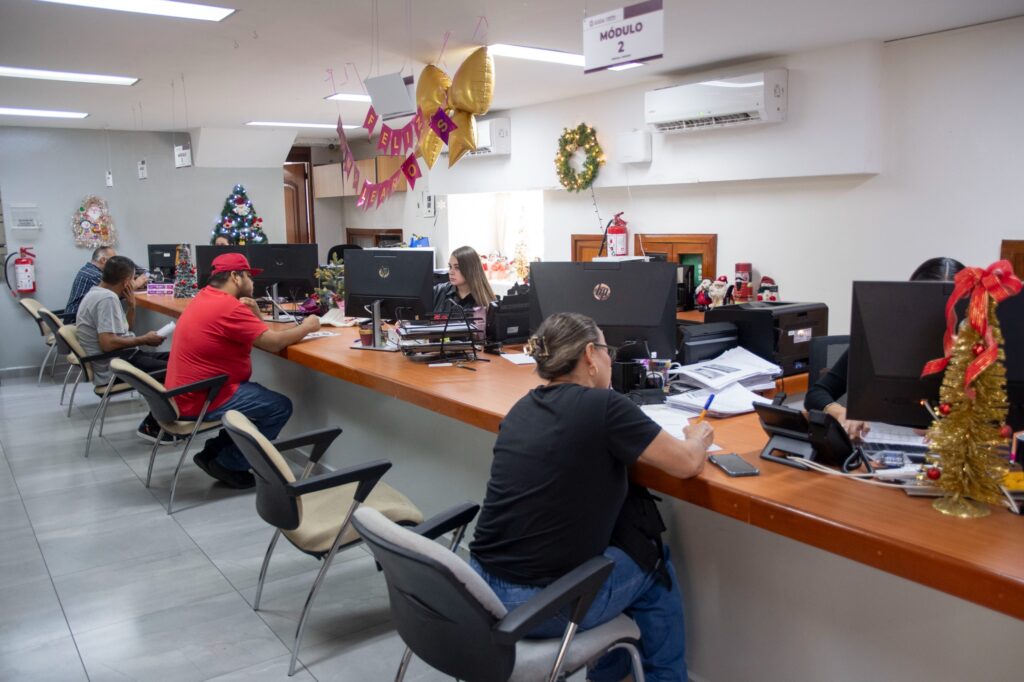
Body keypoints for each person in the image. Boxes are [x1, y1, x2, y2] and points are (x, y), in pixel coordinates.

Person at [469, 312, 714, 682]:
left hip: (481, 591)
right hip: (538, 606)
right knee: (650, 558)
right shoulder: (606, 408)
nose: (610, 360)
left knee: (621, 544)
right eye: (606, 350)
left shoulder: (522, 407)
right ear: (589, 355)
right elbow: (685, 464)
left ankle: (612, 673)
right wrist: (698, 438)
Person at [165, 252, 320, 489]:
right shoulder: (228, 307)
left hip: (186, 393)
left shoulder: (206, 297)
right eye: (249, 276)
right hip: (204, 397)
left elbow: (262, 335)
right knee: (279, 407)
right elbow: (273, 343)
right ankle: (230, 463)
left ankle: (214, 452)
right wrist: (308, 326)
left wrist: (257, 315)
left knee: (254, 400)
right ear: (236, 277)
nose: (253, 282)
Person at [805, 256, 966, 439]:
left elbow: (998, 418)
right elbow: (817, 393)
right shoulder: (880, 340)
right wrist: (841, 412)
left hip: (953, 455)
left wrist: (957, 431)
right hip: (881, 448)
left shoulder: (980, 352)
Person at [74, 255, 169, 441]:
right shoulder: (106, 299)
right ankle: (153, 425)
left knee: (177, 358)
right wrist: (144, 339)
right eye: (133, 278)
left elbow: (124, 332)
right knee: (175, 370)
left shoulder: (98, 293)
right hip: (116, 366)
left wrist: (132, 306)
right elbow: (108, 343)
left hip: (124, 357)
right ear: (127, 281)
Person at [63, 246, 148, 323]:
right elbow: (118, 290)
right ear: (103, 260)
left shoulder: (88, 269)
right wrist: (136, 284)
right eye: (113, 260)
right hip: (75, 321)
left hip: (78, 317)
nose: (116, 264)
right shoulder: (95, 275)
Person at [432, 246, 496, 315]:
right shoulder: (439, 291)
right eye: (450, 266)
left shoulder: (487, 302)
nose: (451, 272)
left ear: (471, 270)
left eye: (457, 268)